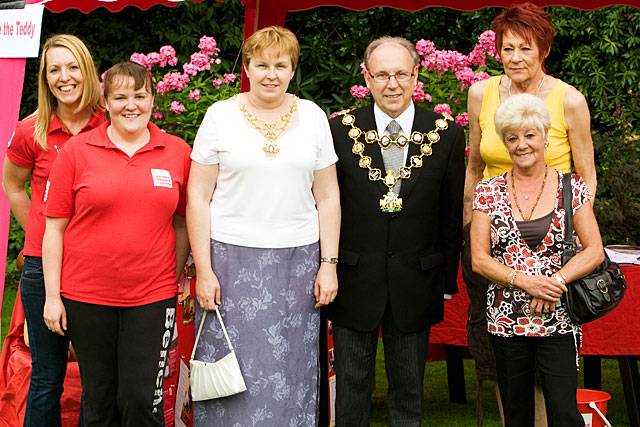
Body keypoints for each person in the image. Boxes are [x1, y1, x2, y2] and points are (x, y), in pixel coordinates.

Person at [186, 26, 340, 426]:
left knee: (290, 368)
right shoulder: (219, 116)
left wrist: (329, 263)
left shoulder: (313, 117)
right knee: (234, 368)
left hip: (298, 263)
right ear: (247, 68)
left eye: (281, 65)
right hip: (229, 262)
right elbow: (198, 197)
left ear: (293, 70)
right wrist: (203, 270)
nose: (271, 73)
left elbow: (328, 197)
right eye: (262, 65)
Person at [462, 3, 597, 422]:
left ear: (544, 50)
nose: (516, 57)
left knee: (554, 372)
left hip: (552, 238)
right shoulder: (481, 93)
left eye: (526, 48)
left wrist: (564, 248)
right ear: (497, 51)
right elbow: (474, 167)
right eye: (508, 48)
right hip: (492, 234)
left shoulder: (569, 100)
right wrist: (470, 230)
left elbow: (587, 177)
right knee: (504, 363)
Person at [42, 61, 191, 425]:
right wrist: (51, 296)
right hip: (87, 295)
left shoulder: (176, 152)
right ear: (105, 103)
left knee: (142, 400)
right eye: (120, 96)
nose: (131, 105)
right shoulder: (78, 152)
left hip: (152, 296)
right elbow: (54, 229)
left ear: (153, 100)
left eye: (140, 96)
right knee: (99, 399)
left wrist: (172, 273)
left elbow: (185, 220)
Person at [326, 36, 465, 426]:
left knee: (408, 388)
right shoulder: (339, 131)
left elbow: (450, 214)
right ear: (366, 78)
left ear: (416, 75)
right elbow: (324, 204)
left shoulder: (447, 134)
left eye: (401, 74)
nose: (392, 84)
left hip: (416, 277)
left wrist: (444, 277)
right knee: (352, 385)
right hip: (353, 275)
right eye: (382, 74)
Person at [2, 34, 104, 426]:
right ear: (45, 79)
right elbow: (13, 184)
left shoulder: (109, 124)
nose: (65, 77)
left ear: (88, 70)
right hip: (43, 268)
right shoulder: (33, 130)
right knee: (47, 378)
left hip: (97, 269)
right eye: (54, 70)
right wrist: (40, 232)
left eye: (73, 66)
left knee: (97, 380)